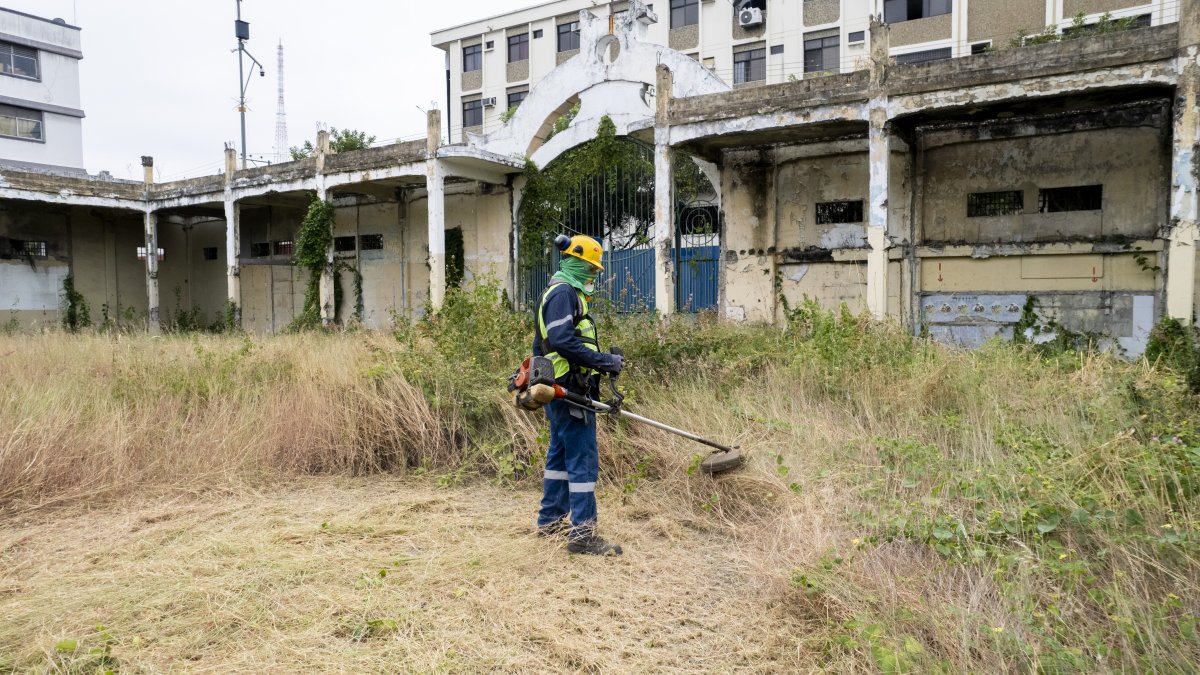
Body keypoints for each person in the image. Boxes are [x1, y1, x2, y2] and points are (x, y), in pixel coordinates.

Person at [533, 234, 625, 556]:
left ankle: (550, 522)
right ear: (576, 263)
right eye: (591, 268)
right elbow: (562, 340)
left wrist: (601, 365)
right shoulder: (563, 293)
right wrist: (605, 361)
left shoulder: (566, 292)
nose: (594, 275)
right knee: (582, 460)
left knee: (559, 456)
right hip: (568, 388)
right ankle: (583, 534)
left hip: (562, 387)